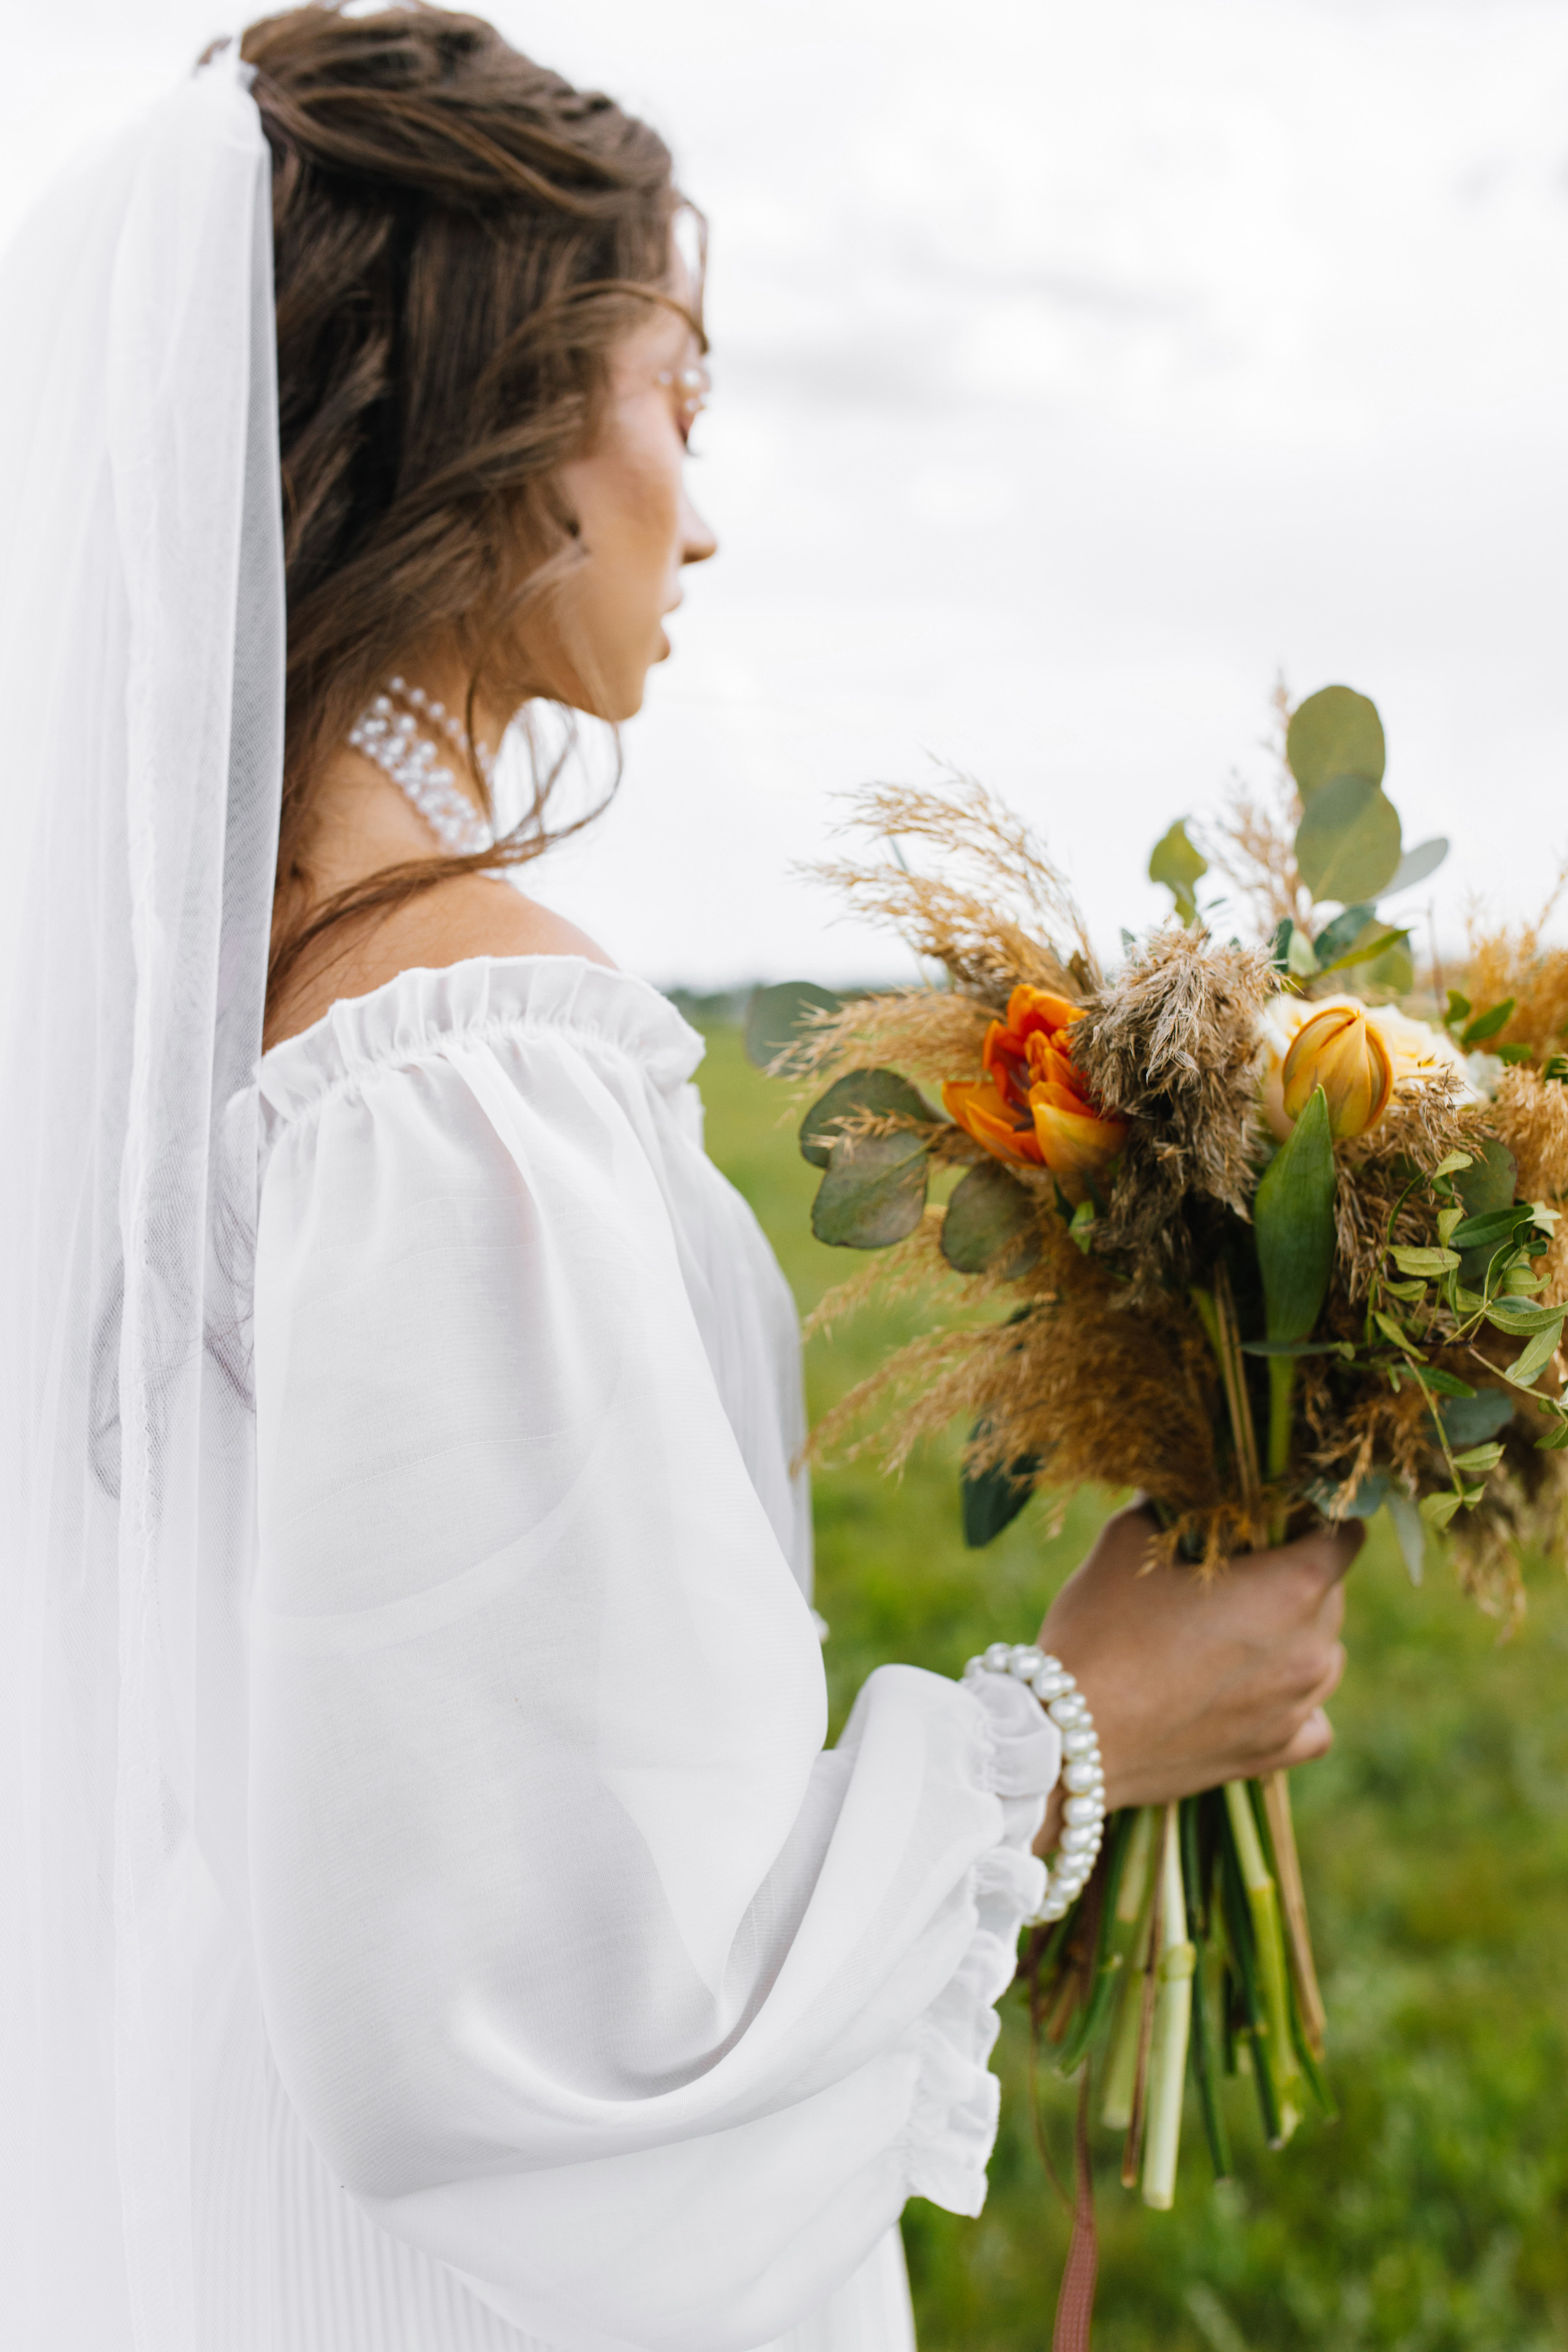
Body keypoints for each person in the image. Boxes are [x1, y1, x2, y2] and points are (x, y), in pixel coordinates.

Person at [0, 10, 1351, 2349]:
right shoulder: (461, 1077)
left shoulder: (178, 1025)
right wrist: (1081, 1730)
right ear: (503, 425)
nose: (704, 509)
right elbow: (596, 2030)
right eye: (679, 399)